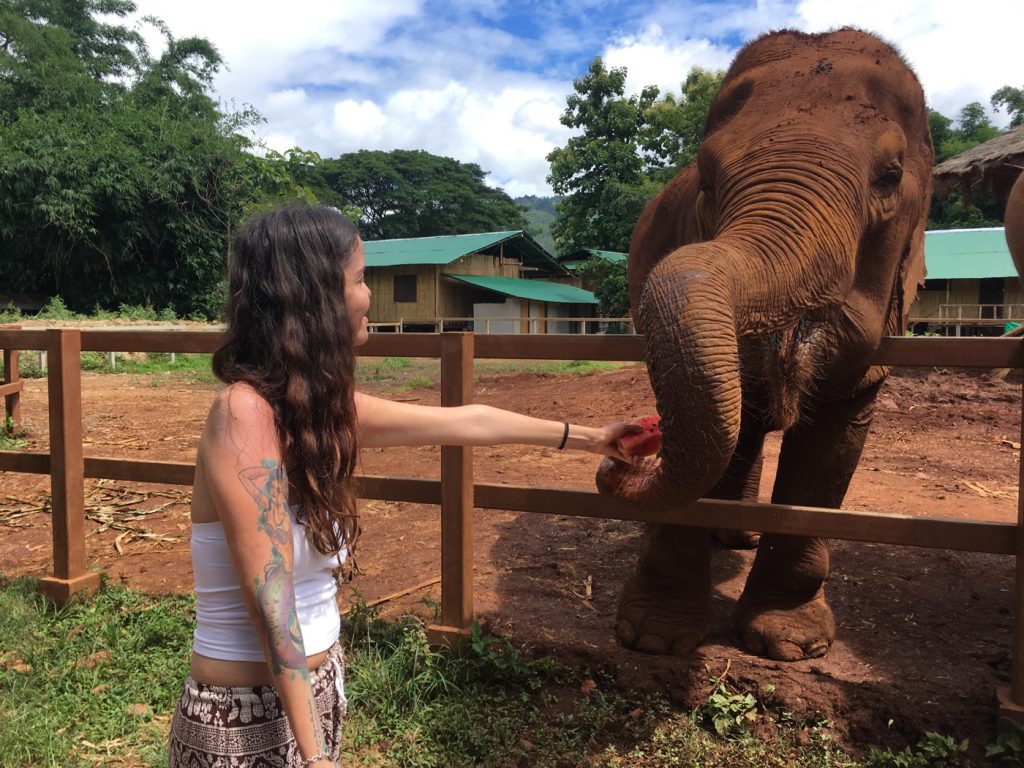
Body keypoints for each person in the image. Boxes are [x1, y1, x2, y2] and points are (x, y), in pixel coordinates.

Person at [168, 206, 639, 768]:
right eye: (360, 278)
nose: (370, 295)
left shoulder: (317, 411)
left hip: (312, 698)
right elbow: (271, 606)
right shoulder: (244, 414)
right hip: (241, 721)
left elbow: (469, 422)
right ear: (316, 297)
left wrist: (592, 438)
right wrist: (315, 756)